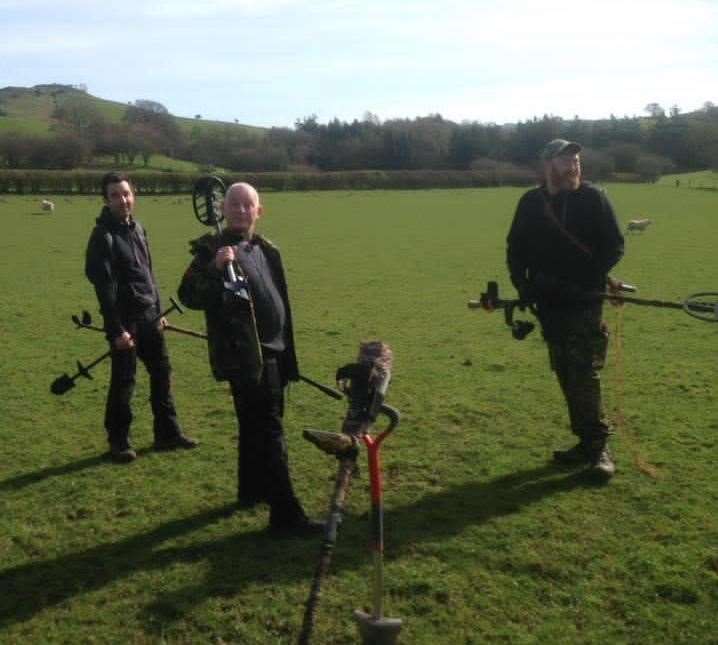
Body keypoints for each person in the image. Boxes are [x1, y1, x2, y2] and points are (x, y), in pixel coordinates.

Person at [178, 182, 322, 535]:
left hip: (274, 351)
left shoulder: (262, 249)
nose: (241, 210)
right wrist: (214, 268)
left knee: (253, 426)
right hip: (247, 359)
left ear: (259, 211)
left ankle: (251, 490)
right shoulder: (211, 250)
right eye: (235, 205)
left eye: (248, 205)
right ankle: (286, 515)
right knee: (270, 431)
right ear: (223, 210)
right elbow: (188, 296)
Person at [506, 140, 625, 478]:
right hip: (548, 302)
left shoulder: (593, 198)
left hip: (585, 301)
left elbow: (614, 246)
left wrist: (587, 280)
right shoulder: (531, 202)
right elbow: (516, 248)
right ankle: (586, 442)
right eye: (565, 158)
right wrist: (523, 286)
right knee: (564, 370)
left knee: (584, 370)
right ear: (548, 164)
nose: (573, 163)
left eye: (576, 158)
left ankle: (600, 448)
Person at [85, 172, 198, 463]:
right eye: (115, 195)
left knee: (162, 374)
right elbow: (104, 290)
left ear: (133, 195)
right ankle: (118, 441)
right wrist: (116, 331)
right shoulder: (103, 237)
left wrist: (159, 313)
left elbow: (149, 275)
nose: (122, 200)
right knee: (124, 381)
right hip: (125, 322)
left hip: (150, 317)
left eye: (126, 193)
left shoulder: (138, 229)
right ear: (106, 200)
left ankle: (168, 433)